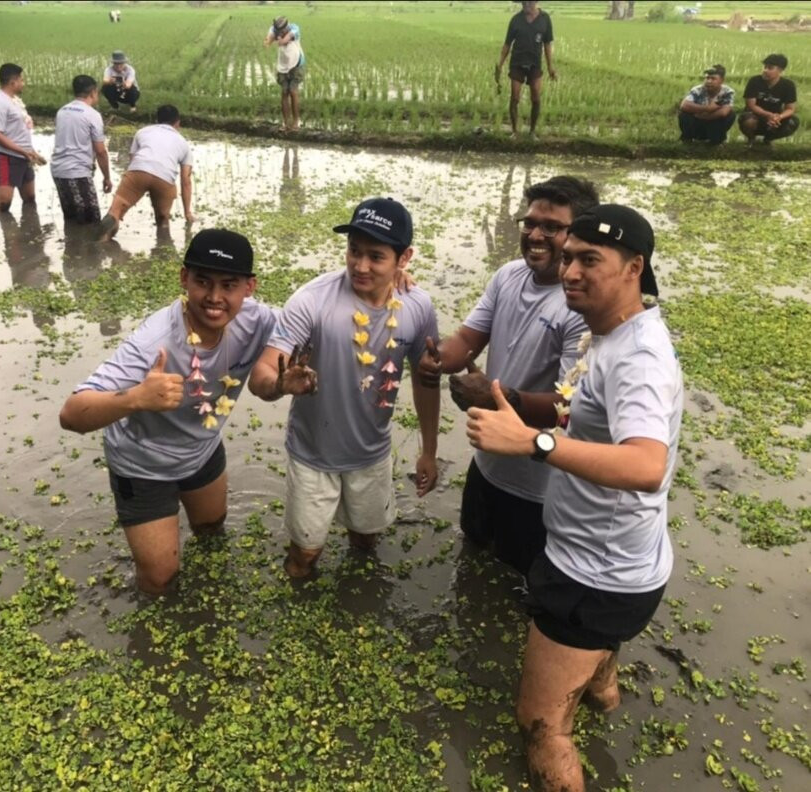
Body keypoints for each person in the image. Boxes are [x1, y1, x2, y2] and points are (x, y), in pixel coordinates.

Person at [465, 204, 682, 792]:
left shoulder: (638, 359)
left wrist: (533, 442)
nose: (570, 272)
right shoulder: (611, 332)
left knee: (540, 724)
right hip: (627, 561)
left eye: (590, 260)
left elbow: (646, 465)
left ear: (635, 268)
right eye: (568, 258)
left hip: (594, 574)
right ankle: (604, 697)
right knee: (593, 669)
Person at [59, 229, 279, 596]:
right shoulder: (154, 341)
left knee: (212, 530)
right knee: (160, 581)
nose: (215, 297)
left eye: (228, 285)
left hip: (202, 449)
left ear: (249, 287)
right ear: (184, 278)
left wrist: (389, 288)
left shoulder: (260, 321)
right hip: (142, 465)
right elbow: (71, 413)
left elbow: (312, 321)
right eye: (203, 282)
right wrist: (136, 398)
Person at [248, 197, 440, 578]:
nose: (360, 265)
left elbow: (426, 380)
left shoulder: (417, 306)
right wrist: (280, 384)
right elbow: (262, 373)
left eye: (376, 256)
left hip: (372, 453)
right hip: (313, 454)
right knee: (305, 555)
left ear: (404, 259)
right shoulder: (312, 300)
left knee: (366, 541)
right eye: (354, 250)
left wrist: (429, 452)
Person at [417, 176, 598, 577]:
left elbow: (567, 408)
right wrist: (438, 358)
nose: (535, 235)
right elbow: (468, 339)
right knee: (472, 557)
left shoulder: (579, 305)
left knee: (520, 580)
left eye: (551, 227)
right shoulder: (508, 276)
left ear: (578, 236)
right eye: (529, 223)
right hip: (487, 461)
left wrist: (500, 399)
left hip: (538, 483)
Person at [97, 104, 195, 241]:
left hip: (138, 171)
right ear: (177, 123)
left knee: (115, 212)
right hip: (164, 179)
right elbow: (186, 181)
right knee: (163, 219)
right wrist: (187, 212)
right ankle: (162, 247)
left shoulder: (142, 132)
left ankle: (99, 246)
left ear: (157, 120)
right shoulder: (183, 143)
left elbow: (133, 160)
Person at [51, 75, 112, 225]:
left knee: (71, 220)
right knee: (91, 222)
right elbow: (100, 151)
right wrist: (107, 177)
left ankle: (71, 241)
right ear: (93, 92)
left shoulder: (62, 111)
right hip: (77, 173)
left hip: (58, 171)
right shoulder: (92, 115)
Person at [0, 63, 46, 213]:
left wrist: (32, 152)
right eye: (21, 80)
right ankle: (2, 225)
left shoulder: (14, 100)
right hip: (5, 157)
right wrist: (22, 151)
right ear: (12, 82)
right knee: (4, 204)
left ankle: (30, 227)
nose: (23, 83)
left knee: (30, 197)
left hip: (24, 156)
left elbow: (19, 130)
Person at [495, 1, 556, 139]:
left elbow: (547, 44)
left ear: (535, 2)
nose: (525, 4)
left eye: (528, 2)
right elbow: (507, 45)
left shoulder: (545, 19)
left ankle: (532, 132)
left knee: (536, 98)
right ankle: (515, 132)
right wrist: (500, 65)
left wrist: (550, 67)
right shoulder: (516, 20)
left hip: (535, 63)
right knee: (515, 97)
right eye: (523, 2)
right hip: (517, 62)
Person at [739, 54, 800, 145]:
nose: (765, 70)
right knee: (748, 122)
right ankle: (751, 139)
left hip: (775, 117)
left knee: (793, 122)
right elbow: (751, 105)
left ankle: (768, 139)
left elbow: (790, 109)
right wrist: (768, 115)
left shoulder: (788, 85)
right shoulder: (754, 81)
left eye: (770, 68)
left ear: (780, 70)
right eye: (765, 67)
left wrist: (779, 117)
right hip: (756, 114)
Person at [263, 16, 306, 132]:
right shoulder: (274, 29)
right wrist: (268, 41)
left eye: (282, 30)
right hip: (283, 66)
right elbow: (269, 38)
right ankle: (286, 123)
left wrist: (278, 39)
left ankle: (296, 122)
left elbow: (284, 40)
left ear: (287, 26)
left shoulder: (294, 28)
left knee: (293, 91)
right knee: (284, 93)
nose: (281, 32)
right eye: (279, 31)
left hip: (296, 65)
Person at [678, 64, 737, 145]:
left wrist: (703, 117)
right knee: (684, 114)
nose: (709, 81)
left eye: (713, 78)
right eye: (707, 78)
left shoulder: (727, 92)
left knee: (731, 114)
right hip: (697, 124)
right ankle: (687, 139)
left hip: (712, 123)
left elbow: (724, 112)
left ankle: (716, 141)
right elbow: (684, 105)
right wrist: (708, 108)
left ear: (722, 80)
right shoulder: (697, 90)